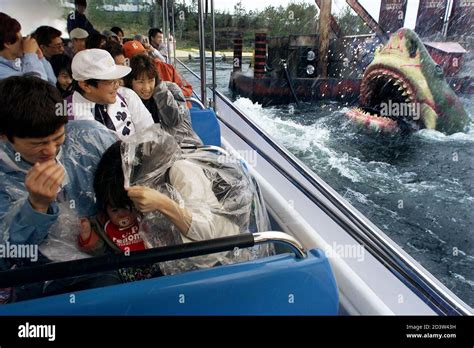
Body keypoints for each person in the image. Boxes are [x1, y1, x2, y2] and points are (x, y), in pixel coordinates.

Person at [0, 75, 121, 300]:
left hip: (108, 261)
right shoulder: (4, 176)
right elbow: (5, 260)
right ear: (5, 136)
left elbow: (131, 171)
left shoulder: (90, 136)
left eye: (58, 138)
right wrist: (36, 208)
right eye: (38, 144)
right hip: (38, 281)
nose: (51, 150)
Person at [68, 48, 154, 139]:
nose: (117, 85)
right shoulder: (68, 115)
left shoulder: (126, 96)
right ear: (85, 85)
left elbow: (149, 132)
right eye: (110, 82)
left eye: (117, 80)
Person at [123, 53, 202, 146]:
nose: (147, 88)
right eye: (140, 82)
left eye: (151, 80)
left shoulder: (171, 89)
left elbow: (174, 120)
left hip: (185, 146)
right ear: (130, 82)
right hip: (156, 152)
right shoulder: (126, 99)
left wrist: (159, 90)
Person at [123, 40, 193, 99]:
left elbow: (187, 89)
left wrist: (170, 94)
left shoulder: (166, 67)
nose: (142, 60)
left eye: (143, 54)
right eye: (137, 58)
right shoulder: (124, 79)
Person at [0, 12, 50, 82]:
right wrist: (31, 56)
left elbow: (52, 85)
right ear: (8, 44)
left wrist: (40, 58)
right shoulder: (4, 75)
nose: (24, 43)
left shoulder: (20, 62)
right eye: (21, 40)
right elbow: (38, 90)